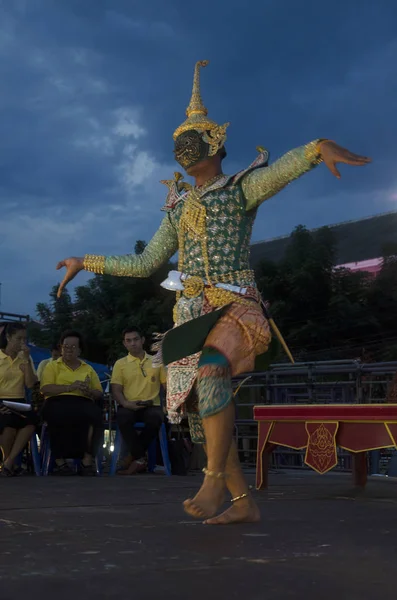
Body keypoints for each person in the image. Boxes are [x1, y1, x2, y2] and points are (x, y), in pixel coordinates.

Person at [55, 60, 371, 523]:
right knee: (205, 415)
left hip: (236, 306)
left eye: (193, 138)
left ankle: (211, 481)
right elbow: (145, 263)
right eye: (179, 141)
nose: (184, 146)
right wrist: (88, 261)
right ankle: (243, 504)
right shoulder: (178, 206)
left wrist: (315, 149)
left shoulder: (239, 189)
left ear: (215, 143)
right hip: (190, 314)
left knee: (212, 372)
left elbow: (280, 171)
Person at [40, 330, 103, 475]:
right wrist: (70, 387)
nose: (68, 349)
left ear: (80, 350)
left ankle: (87, 460)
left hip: (82, 400)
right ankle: (60, 461)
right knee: (56, 414)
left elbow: (98, 392)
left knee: (96, 416)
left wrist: (88, 391)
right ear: (61, 348)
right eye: (65, 346)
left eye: (73, 347)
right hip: (57, 400)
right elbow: (45, 388)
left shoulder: (88, 368)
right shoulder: (52, 366)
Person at [111, 327, 167, 475]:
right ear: (124, 344)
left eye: (135, 339)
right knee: (123, 417)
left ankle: (133, 457)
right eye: (128, 341)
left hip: (151, 404)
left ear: (142, 340)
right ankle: (140, 458)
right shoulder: (120, 364)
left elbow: (166, 385)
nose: (133, 343)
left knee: (157, 418)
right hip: (129, 404)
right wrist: (126, 403)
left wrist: (170, 404)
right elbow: (116, 389)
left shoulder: (157, 361)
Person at [0, 322, 38, 476]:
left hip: (19, 401)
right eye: (18, 338)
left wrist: (27, 362)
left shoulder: (24, 358)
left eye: (25, 339)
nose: (22, 343)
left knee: (31, 422)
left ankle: (8, 463)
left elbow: (30, 384)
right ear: (8, 337)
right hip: (1, 400)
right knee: (7, 427)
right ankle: (9, 464)